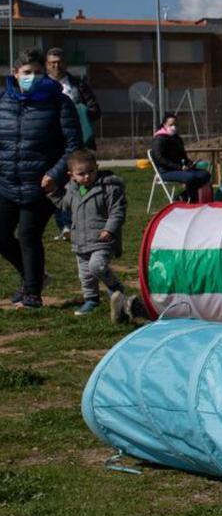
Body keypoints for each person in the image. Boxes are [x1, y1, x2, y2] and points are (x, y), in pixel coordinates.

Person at [0, 48, 82, 309]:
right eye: (26, 73)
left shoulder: (59, 102)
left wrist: (55, 174)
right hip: (7, 182)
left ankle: (32, 294)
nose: (32, 77)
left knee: (28, 235)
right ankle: (33, 277)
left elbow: (73, 144)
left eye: (37, 72)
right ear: (15, 74)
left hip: (41, 184)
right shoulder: (3, 101)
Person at [47, 150, 129, 319]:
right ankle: (91, 299)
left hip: (102, 239)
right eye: (81, 174)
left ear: (97, 168)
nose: (86, 177)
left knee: (96, 266)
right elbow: (64, 204)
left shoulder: (109, 188)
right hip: (80, 240)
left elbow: (117, 212)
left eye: (91, 171)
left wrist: (109, 229)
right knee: (85, 274)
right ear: (71, 175)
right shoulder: (72, 190)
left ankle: (115, 287)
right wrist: (52, 192)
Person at [46, 48, 102, 241]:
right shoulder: (41, 85)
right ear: (47, 64)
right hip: (52, 142)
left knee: (78, 182)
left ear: (66, 63)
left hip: (77, 142)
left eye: (60, 61)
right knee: (57, 183)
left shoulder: (78, 84)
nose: (56, 65)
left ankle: (83, 221)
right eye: (52, 62)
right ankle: (64, 225)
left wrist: (79, 111)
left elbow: (95, 110)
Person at [150, 113, 210, 203]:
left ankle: (185, 197)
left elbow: (182, 155)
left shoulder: (177, 138)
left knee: (205, 175)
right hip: (166, 171)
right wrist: (179, 167)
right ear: (164, 125)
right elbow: (160, 158)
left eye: (175, 125)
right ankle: (190, 199)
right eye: (171, 125)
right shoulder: (159, 139)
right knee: (191, 177)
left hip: (180, 169)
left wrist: (189, 163)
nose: (174, 127)